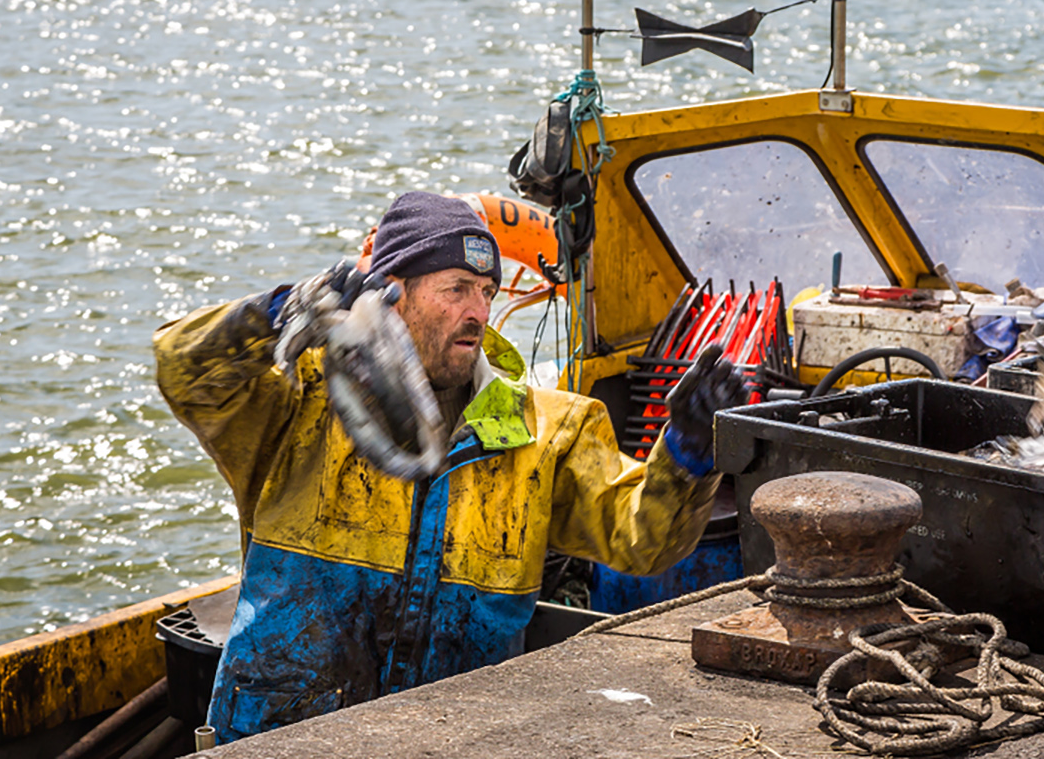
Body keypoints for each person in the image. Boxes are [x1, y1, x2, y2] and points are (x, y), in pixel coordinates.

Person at [154, 192, 747, 742]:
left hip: (454, 740)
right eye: (456, 287)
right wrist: (274, 313)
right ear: (391, 290)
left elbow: (644, 538)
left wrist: (690, 454)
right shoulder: (299, 400)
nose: (478, 310)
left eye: (487, 290)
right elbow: (182, 369)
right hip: (280, 739)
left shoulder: (546, 431)